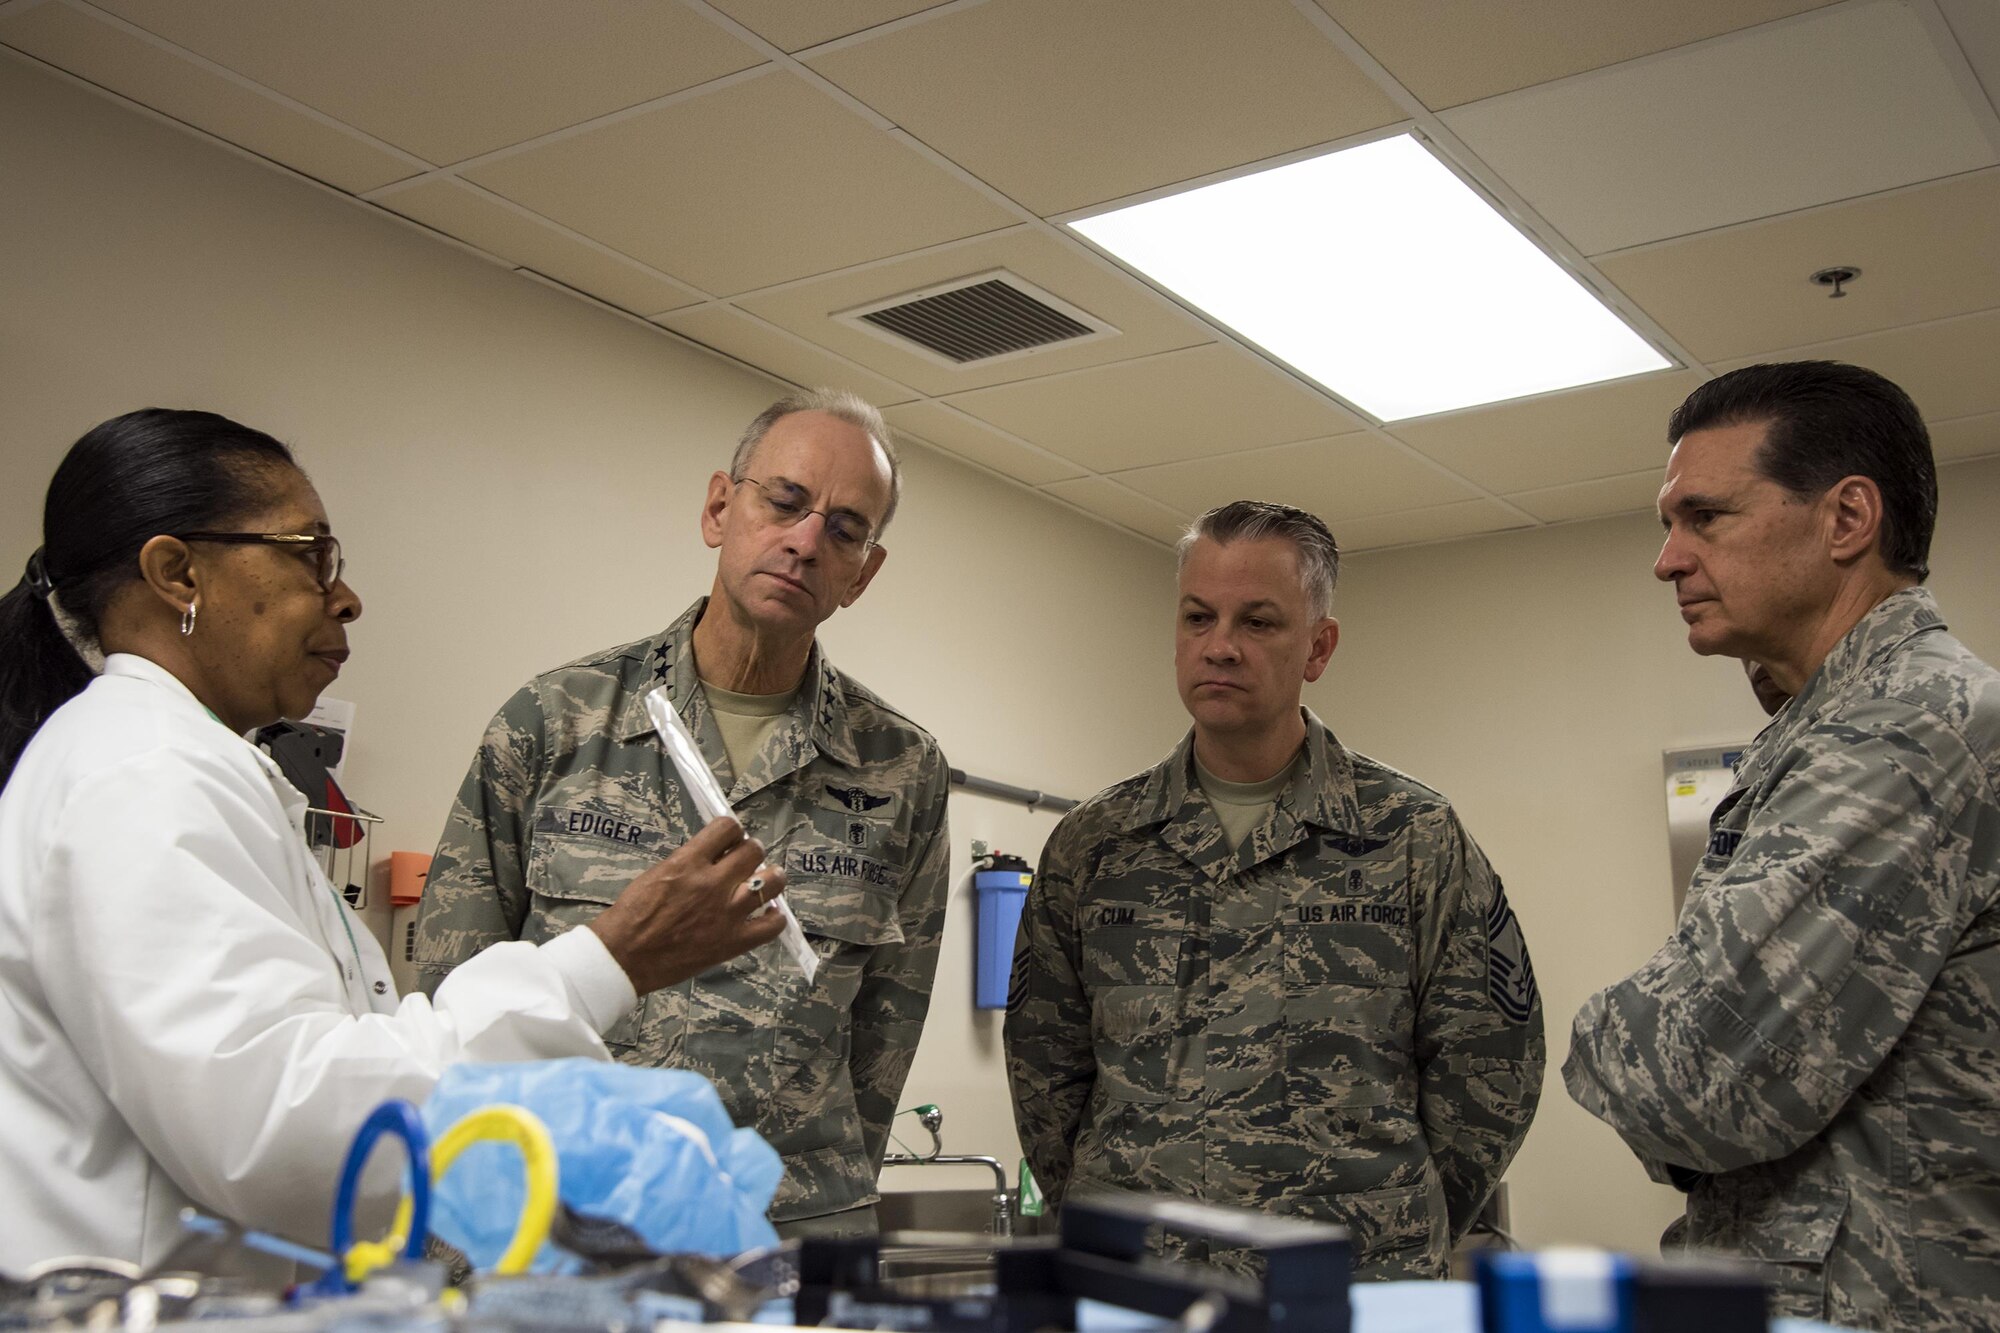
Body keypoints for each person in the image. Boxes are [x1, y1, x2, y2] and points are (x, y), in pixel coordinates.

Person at [0, 409, 784, 1275]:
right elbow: (283, 1129)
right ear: (176, 573)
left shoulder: (180, 763)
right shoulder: (142, 772)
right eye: (310, 553)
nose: (345, 596)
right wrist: (608, 960)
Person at [414, 388, 949, 1238]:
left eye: (845, 529)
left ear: (863, 573)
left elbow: (887, 1031)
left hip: (787, 1225)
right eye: (785, 501)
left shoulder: (901, 770)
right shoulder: (554, 721)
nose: (806, 541)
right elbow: (456, 980)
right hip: (571, 1212)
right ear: (718, 507)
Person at [1565, 361, 2000, 1332]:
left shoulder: (1903, 731)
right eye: (1664, 525)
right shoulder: (1843, 727)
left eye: (1703, 517)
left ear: (1846, 519)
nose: (1666, 559)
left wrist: (1595, 1034)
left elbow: (1703, 1076)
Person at [1004, 500, 1543, 1280]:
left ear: (1318, 647)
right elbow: (1044, 1074)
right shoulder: (1094, 847)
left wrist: (1389, 1223)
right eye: (1198, 617)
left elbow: (1493, 1066)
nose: (1219, 645)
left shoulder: (1413, 834)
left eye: (1257, 622)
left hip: (1350, 1287)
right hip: (1142, 1285)